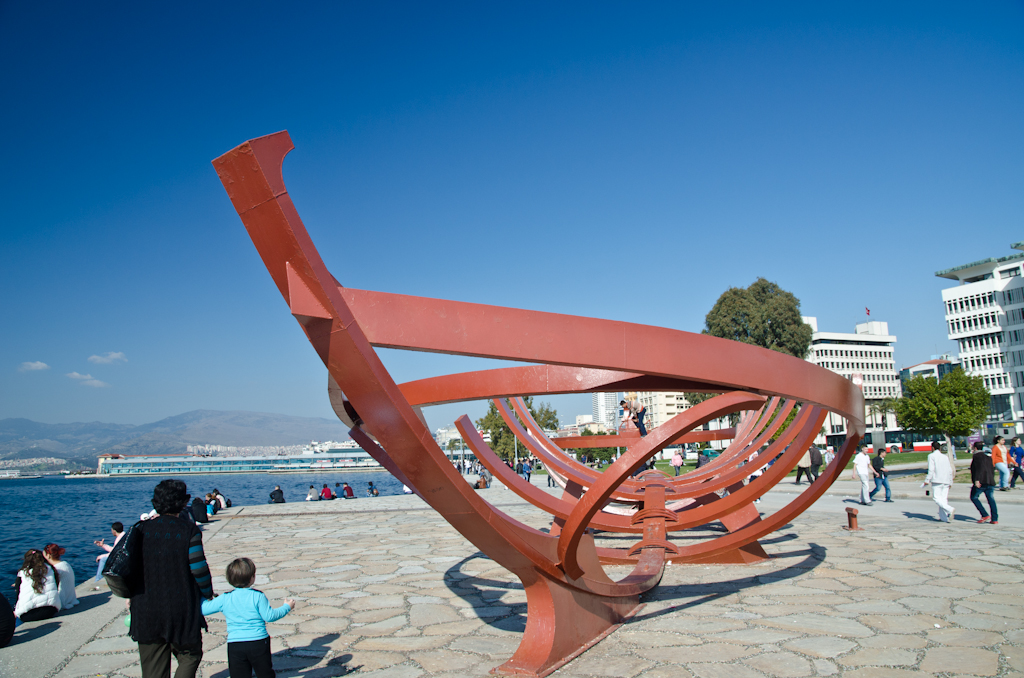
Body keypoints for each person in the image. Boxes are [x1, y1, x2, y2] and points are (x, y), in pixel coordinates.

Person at [130, 479, 214, 678]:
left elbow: (129, 569)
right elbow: (198, 568)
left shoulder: (140, 530)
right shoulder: (188, 530)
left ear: (154, 503)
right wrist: (208, 593)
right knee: (190, 655)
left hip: (146, 608)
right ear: (184, 503)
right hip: (181, 607)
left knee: (153, 669)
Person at [201, 558, 294, 678]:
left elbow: (203, 609)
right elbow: (270, 616)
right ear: (252, 578)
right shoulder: (258, 596)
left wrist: (201, 595)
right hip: (259, 642)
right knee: (265, 674)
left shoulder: (225, 598)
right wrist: (287, 607)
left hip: (235, 644)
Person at [14, 549, 61, 623]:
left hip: (28, 615)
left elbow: (18, 594)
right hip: (51, 610)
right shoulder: (51, 569)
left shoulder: (22, 573)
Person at [925, 441, 955, 522]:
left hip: (937, 480)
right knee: (943, 499)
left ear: (932, 448)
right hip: (946, 480)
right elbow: (949, 470)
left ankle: (949, 509)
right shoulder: (945, 457)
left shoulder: (931, 456)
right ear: (940, 448)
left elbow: (931, 469)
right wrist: (950, 481)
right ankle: (943, 517)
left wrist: (927, 480)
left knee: (936, 498)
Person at [970, 441, 998, 524]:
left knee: (974, 497)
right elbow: (991, 469)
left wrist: (977, 480)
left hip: (981, 481)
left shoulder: (976, 456)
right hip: (990, 481)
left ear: (975, 448)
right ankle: (994, 518)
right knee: (991, 499)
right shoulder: (988, 457)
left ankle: (984, 514)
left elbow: (978, 469)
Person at [43, 543, 78, 610]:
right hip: (71, 599)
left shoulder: (56, 569)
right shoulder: (65, 564)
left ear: (48, 555)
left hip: (62, 602)